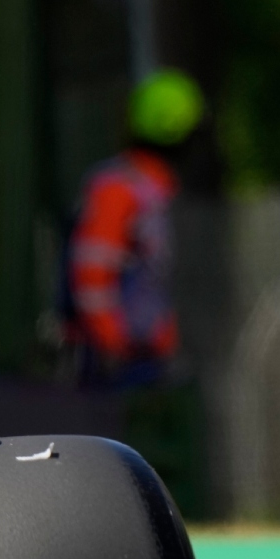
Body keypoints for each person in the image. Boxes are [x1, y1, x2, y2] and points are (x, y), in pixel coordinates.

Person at [64, 69, 205, 387]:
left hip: (162, 357)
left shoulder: (162, 188)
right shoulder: (118, 188)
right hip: (129, 366)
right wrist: (116, 346)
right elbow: (92, 278)